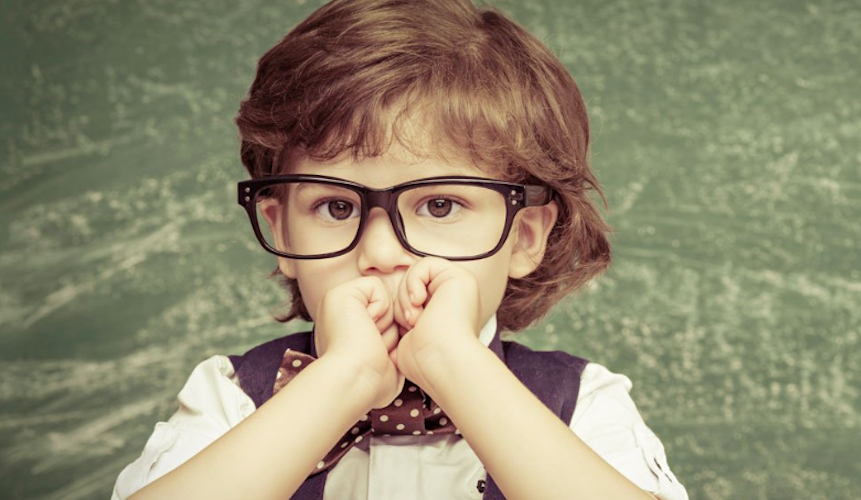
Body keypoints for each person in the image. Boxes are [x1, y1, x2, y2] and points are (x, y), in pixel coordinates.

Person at [112, 0, 688, 499]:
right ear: (282, 231)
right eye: (337, 208)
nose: (382, 251)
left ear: (525, 236)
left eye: (439, 206)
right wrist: (345, 378)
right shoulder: (233, 398)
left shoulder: (583, 404)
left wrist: (451, 364)